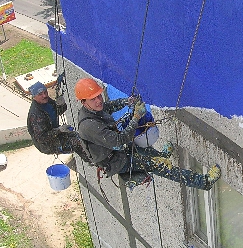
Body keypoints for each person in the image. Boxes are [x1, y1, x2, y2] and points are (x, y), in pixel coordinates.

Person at [74, 78, 221, 190]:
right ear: (83, 101)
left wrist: (127, 101)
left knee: (147, 150)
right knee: (159, 166)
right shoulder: (88, 126)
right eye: (93, 98)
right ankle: (204, 182)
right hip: (117, 162)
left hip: (118, 151)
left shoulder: (93, 109)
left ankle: (163, 155)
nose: (98, 100)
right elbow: (119, 140)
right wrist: (136, 117)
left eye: (99, 95)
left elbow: (107, 106)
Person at [27, 81, 91, 163]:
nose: (45, 95)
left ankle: (92, 156)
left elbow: (58, 112)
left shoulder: (47, 102)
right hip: (47, 144)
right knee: (77, 142)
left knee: (79, 136)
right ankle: (92, 161)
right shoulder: (36, 115)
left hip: (55, 134)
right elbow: (41, 138)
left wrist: (62, 104)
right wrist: (59, 130)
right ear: (34, 97)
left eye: (45, 92)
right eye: (40, 94)